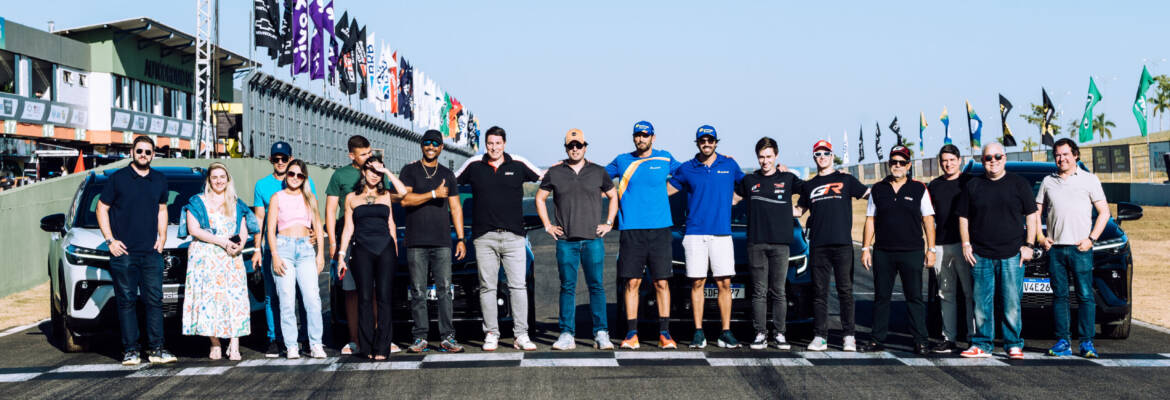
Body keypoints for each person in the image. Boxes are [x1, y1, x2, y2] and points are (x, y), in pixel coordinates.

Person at [456, 126, 543, 351]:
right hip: (484, 238)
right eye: (490, 143)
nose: (494, 148)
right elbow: (448, 181)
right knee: (487, 287)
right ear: (485, 144)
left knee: (518, 286)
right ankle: (491, 333)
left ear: (504, 144)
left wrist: (567, 168)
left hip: (514, 237)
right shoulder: (474, 164)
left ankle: (521, 335)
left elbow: (546, 177)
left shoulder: (518, 163)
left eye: (498, 143)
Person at [96, 136, 178, 365]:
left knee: (155, 301)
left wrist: (162, 237)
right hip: (123, 254)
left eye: (148, 152)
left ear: (153, 155)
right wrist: (110, 240)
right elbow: (101, 208)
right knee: (126, 301)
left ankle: (157, 349)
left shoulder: (159, 179)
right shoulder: (118, 178)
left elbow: (162, 209)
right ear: (132, 152)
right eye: (139, 151)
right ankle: (131, 350)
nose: (143, 155)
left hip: (151, 253)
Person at [536, 129, 619, 351]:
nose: (575, 149)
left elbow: (613, 196)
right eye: (571, 146)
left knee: (596, 286)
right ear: (566, 148)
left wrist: (609, 223)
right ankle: (566, 334)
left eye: (578, 145)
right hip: (566, 241)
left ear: (585, 147)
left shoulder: (598, 171)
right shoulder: (555, 172)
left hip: (593, 240)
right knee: (567, 287)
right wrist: (548, 225)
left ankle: (601, 333)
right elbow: (540, 198)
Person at [665, 125, 744, 349]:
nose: (706, 144)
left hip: (722, 234)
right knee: (697, 282)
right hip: (695, 234)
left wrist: (736, 198)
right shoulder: (687, 168)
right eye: (702, 140)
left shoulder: (729, 164)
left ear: (716, 142)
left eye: (710, 140)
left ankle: (725, 332)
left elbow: (749, 185)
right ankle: (698, 332)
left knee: (724, 283)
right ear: (697, 143)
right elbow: (664, 191)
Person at [606, 121, 682, 350]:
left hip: (660, 230)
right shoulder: (622, 160)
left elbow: (689, 173)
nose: (641, 139)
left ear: (653, 138)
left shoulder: (665, 157)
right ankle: (632, 334)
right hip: (631, 230)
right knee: (632, 282)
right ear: (633, 138)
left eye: (645, 135)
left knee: (661, 282)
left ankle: (664, 333)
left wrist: (720, 158)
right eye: (637, 135)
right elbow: (596, 177)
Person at [958, 142, 1039, 359]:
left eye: (997, 157)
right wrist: (966, 244)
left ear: (1004, 158)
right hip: (980, 254)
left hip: (1012, 254)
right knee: (981, 304)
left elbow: (1032, 216)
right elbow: (963, 218)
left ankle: (1013, 344)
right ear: (982, 160)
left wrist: (1029, 245)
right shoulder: (973, 185)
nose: (993, 161)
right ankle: (982, 344)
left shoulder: (1019, 184)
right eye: (988, 158)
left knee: (1011, 302)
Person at [179, 163, 260, 360]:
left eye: (222, 177)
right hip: (205, 257)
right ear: (208, 180)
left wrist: (239, 245)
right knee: (209, 301)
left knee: (234, 300)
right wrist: (223, 242)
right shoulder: (197, 202)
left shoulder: (235, 202)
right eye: (214, 177)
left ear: (228, 179)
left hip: (230, 258)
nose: (218, 181)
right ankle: (214, 342)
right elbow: (194, 229)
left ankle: (234, 344)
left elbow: (243, 229)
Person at [1037, 138, 1109, 358]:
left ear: (1075, 155)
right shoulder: (1048, 181)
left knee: (1085, 295)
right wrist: (1041, 238)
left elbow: (1104, 212)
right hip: (1056, 249)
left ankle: (1087, 343)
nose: (1062, 159)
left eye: (1066, 154)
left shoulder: (1089, 179)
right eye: (1058, 155)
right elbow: (1036, 212)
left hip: (1080, 249)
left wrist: (1091, 239)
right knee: (1060, 296)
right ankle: (1063, 342)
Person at [859, 146, 936, 355]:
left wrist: (931, 249)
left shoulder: (919, 188)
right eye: (894, 162)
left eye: (902, 162)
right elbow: (870, 220)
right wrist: (865, 248)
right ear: (889, 164)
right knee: (881, 297)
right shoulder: (878, 189)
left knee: (915, 297)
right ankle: (877, 340)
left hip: (912, 251)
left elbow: (928, 220)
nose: (898, 166)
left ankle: (920, 341)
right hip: (883, 252)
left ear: (909, 165)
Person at [398, 130, 467, 353]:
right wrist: (434, 194)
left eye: (435, 143)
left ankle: (448, 337)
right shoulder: (410, 171)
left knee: (445, 289)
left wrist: (461, 239)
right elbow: (405, 200)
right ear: (421, 145)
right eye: (427, 142)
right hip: (416, 241)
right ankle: (420, 337)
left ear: (441, 148)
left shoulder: (447, 174)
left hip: (442, 241)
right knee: (418, 291)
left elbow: (455, 208)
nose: (430, 146)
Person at [797, 139, 868, 352]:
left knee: (845, 291)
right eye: (818, 154)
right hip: (819, 246)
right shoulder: (809, 185)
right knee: (819, 292)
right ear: (814, 158)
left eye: (826, 153)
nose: (822, 157)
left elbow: (870, 195)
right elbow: (798, 211)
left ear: (832, 155)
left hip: (843, 246)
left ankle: (849, 336)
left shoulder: (845, 179)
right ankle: (820, 336)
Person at [733, 137, 803, 350]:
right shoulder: (749, 180)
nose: (765, 161)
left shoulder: (788, 178)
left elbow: (810, 190)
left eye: (769, 156)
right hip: (756, 244)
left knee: (779, 291)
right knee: (759, 292)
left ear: (776, 156)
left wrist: (800, 210)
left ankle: (780, 334)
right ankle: (760, 334)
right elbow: (732, 199)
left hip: (781, 244)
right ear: (757, 157)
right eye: (761, 157)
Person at [337, 157, 408, 359]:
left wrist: (386, 171)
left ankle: (383, 348)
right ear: (363, 172)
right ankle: (366, 347)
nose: (375, 175)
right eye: (371, 171)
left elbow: (403, 193)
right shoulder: (352, 197)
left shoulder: (386, 195)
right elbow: (348, 228)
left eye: (378, 172)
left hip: (385, 249)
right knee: (365, 298)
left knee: (384, 298)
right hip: (361, 250)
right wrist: (341, 255)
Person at [252, 141, 318, 357]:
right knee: (274, 295)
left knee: (305, 295)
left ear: (291, 159)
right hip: (276, 246)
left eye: (284, 158)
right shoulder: (263, 185)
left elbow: (313, 213)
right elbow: (260, 219)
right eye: (276, 159)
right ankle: (276, 338)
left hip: (301, 245)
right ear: (270, 160)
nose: (280, 162)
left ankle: (307, 339)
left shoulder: (305, 182)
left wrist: (315, 234)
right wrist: (257, 248)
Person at [326, 135, 383, 355]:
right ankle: (354, 340)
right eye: (363, 154)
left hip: (374, 240)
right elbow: (331, 209)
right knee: (351, 291)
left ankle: (377, 337)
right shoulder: (340, 175)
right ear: (352, 155)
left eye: (370, 152)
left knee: (375, 290)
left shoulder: (377, 171)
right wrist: (333, 242)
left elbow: (387, 200)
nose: (368, 157)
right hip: (349, 240)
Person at [266, 159, 327, 359]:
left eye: (299, 175)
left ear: (304, 178)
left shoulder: (310, 198)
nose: (294, 178)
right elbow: (270, 229)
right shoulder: (277, 197)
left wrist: (320, 254)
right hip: (283, 248)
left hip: (305, 249)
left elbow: (318, 226)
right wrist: (275, 255)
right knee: (286, 300)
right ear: (286, 175)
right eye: (291, 174)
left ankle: (316, 343)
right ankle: (291, 345)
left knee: (313, 299)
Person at [926, 144, 974, 354]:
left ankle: (973, 337)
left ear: (959, 160)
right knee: (945, 293)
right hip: (941, 245)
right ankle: (949, 338)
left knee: (970, 293)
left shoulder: (970, 182)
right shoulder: (934, 185)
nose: (948, 164)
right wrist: (930, 247)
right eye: (944, 161)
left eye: (952, 160)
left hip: (965, 246)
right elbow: (928, 217)